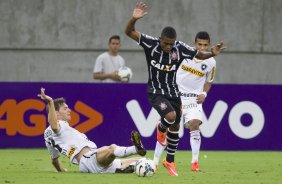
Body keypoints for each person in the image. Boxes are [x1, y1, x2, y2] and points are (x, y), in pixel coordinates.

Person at [125, 2, 225, 176]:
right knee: (170, 117)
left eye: (171, 44)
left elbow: (200, 55)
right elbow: (129, 32)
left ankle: (169, 160)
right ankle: (160, 129)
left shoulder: (180, 49)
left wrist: (212, 54)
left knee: (176, 126)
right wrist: (134, 18)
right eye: (166, 43)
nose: (168, 47)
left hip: (173, 92)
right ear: (161, 39)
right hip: (156, 91)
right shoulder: (151, 44)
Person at [38, 88, 146, 174]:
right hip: (89, 159)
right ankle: (136, 148)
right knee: (112, 148)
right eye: (65, 108)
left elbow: (54, 160)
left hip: (95, 163)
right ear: (56, 113)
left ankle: (122, 168)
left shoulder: (53, 135)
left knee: (144, 162)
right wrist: (50, 102)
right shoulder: (57, 127)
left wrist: (62, 171)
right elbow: (54, 126)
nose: (69, 110)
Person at [153, 31, 216, 172]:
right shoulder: (183, 54)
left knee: (195, 124)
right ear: (194, 43)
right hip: (176, 97)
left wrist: (204, 93)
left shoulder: (211, 62)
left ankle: (194, 163)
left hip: (194, 99)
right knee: (169, 128)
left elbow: (209, 81)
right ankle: (155, 161)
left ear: (209, 45)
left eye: (205, 45)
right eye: (199, 44)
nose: (202, 47)